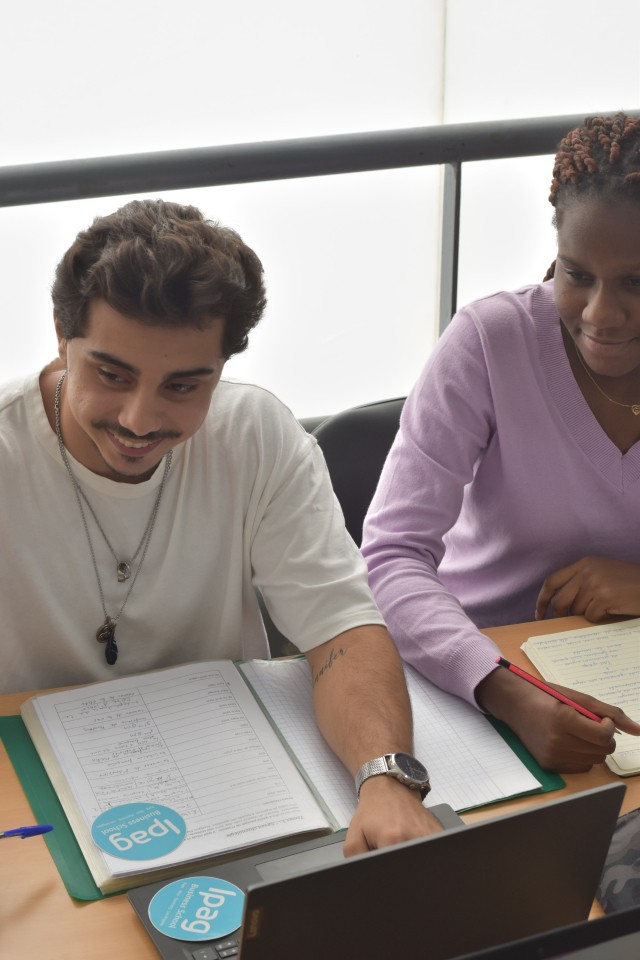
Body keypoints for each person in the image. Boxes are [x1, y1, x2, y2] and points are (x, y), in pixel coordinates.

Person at [0, 198, 441, 851]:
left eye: (183, 386)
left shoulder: (254, 434)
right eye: (111, 374)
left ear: (223, 367)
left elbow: (341, 627)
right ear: (63, 338)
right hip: (29, 789)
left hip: (235, 785)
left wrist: (386, 778)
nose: (140, 419)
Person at [361, 112, 640, 774]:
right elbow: (391, 557)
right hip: (476, 672)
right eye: (576, 275)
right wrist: (506, 691)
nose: (600, 315)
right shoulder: (490, 342)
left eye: (637, 282)